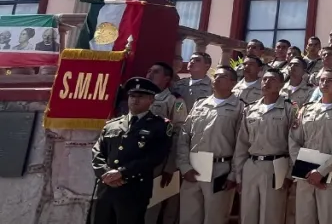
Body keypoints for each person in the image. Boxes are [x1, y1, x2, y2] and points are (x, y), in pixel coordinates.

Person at [90, 77, 173, 224]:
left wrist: (122, 172)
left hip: (134, 189)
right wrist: (105, 173)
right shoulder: (112, 125)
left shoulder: (159, 126)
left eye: (140, 97)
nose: (135, 100)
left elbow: (155, 156)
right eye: (132, 96)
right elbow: (97, 151)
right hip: (106, 189)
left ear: (151, 100)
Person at [289, 67, 332, 224]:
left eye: (330, 80)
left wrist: (322, 171)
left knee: (328, 219)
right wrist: (304, 169)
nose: (325, 83)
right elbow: (293, 139)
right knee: (304, 219)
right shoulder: (306, 109)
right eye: (322, 80)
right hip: (305, 176)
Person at [176, 66, 244, 224]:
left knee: (215, 218)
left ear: (233, 83)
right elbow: (184, 136)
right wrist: (184, 166)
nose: (217, 79)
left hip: (221, 169)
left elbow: (241, 144)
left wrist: (234, 174)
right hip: (194, 166)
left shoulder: (240, 107)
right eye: (216, 76)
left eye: (223, 77)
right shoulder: (200, 104)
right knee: (188, 217)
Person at [232, 68, 294, 224]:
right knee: (247, 214)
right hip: (251, 166)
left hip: (276, 166)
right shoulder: (250, 109)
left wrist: (289, 174)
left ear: (280, 84)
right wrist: (238, 175)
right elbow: (242, 144)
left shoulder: (289, 109)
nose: (266, 82)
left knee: (271, 214)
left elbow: (295, 144)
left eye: (272, 79)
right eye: (264, 79)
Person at [146, 62, 188, 224]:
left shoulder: (174, 101)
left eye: (156, 72)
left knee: (152, 209)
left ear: (167, 79)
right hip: (136, 161)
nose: (150, 74)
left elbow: (178, 133)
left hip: (159, 162)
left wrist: (170, 166)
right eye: (149, 70)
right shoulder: (138, 97)